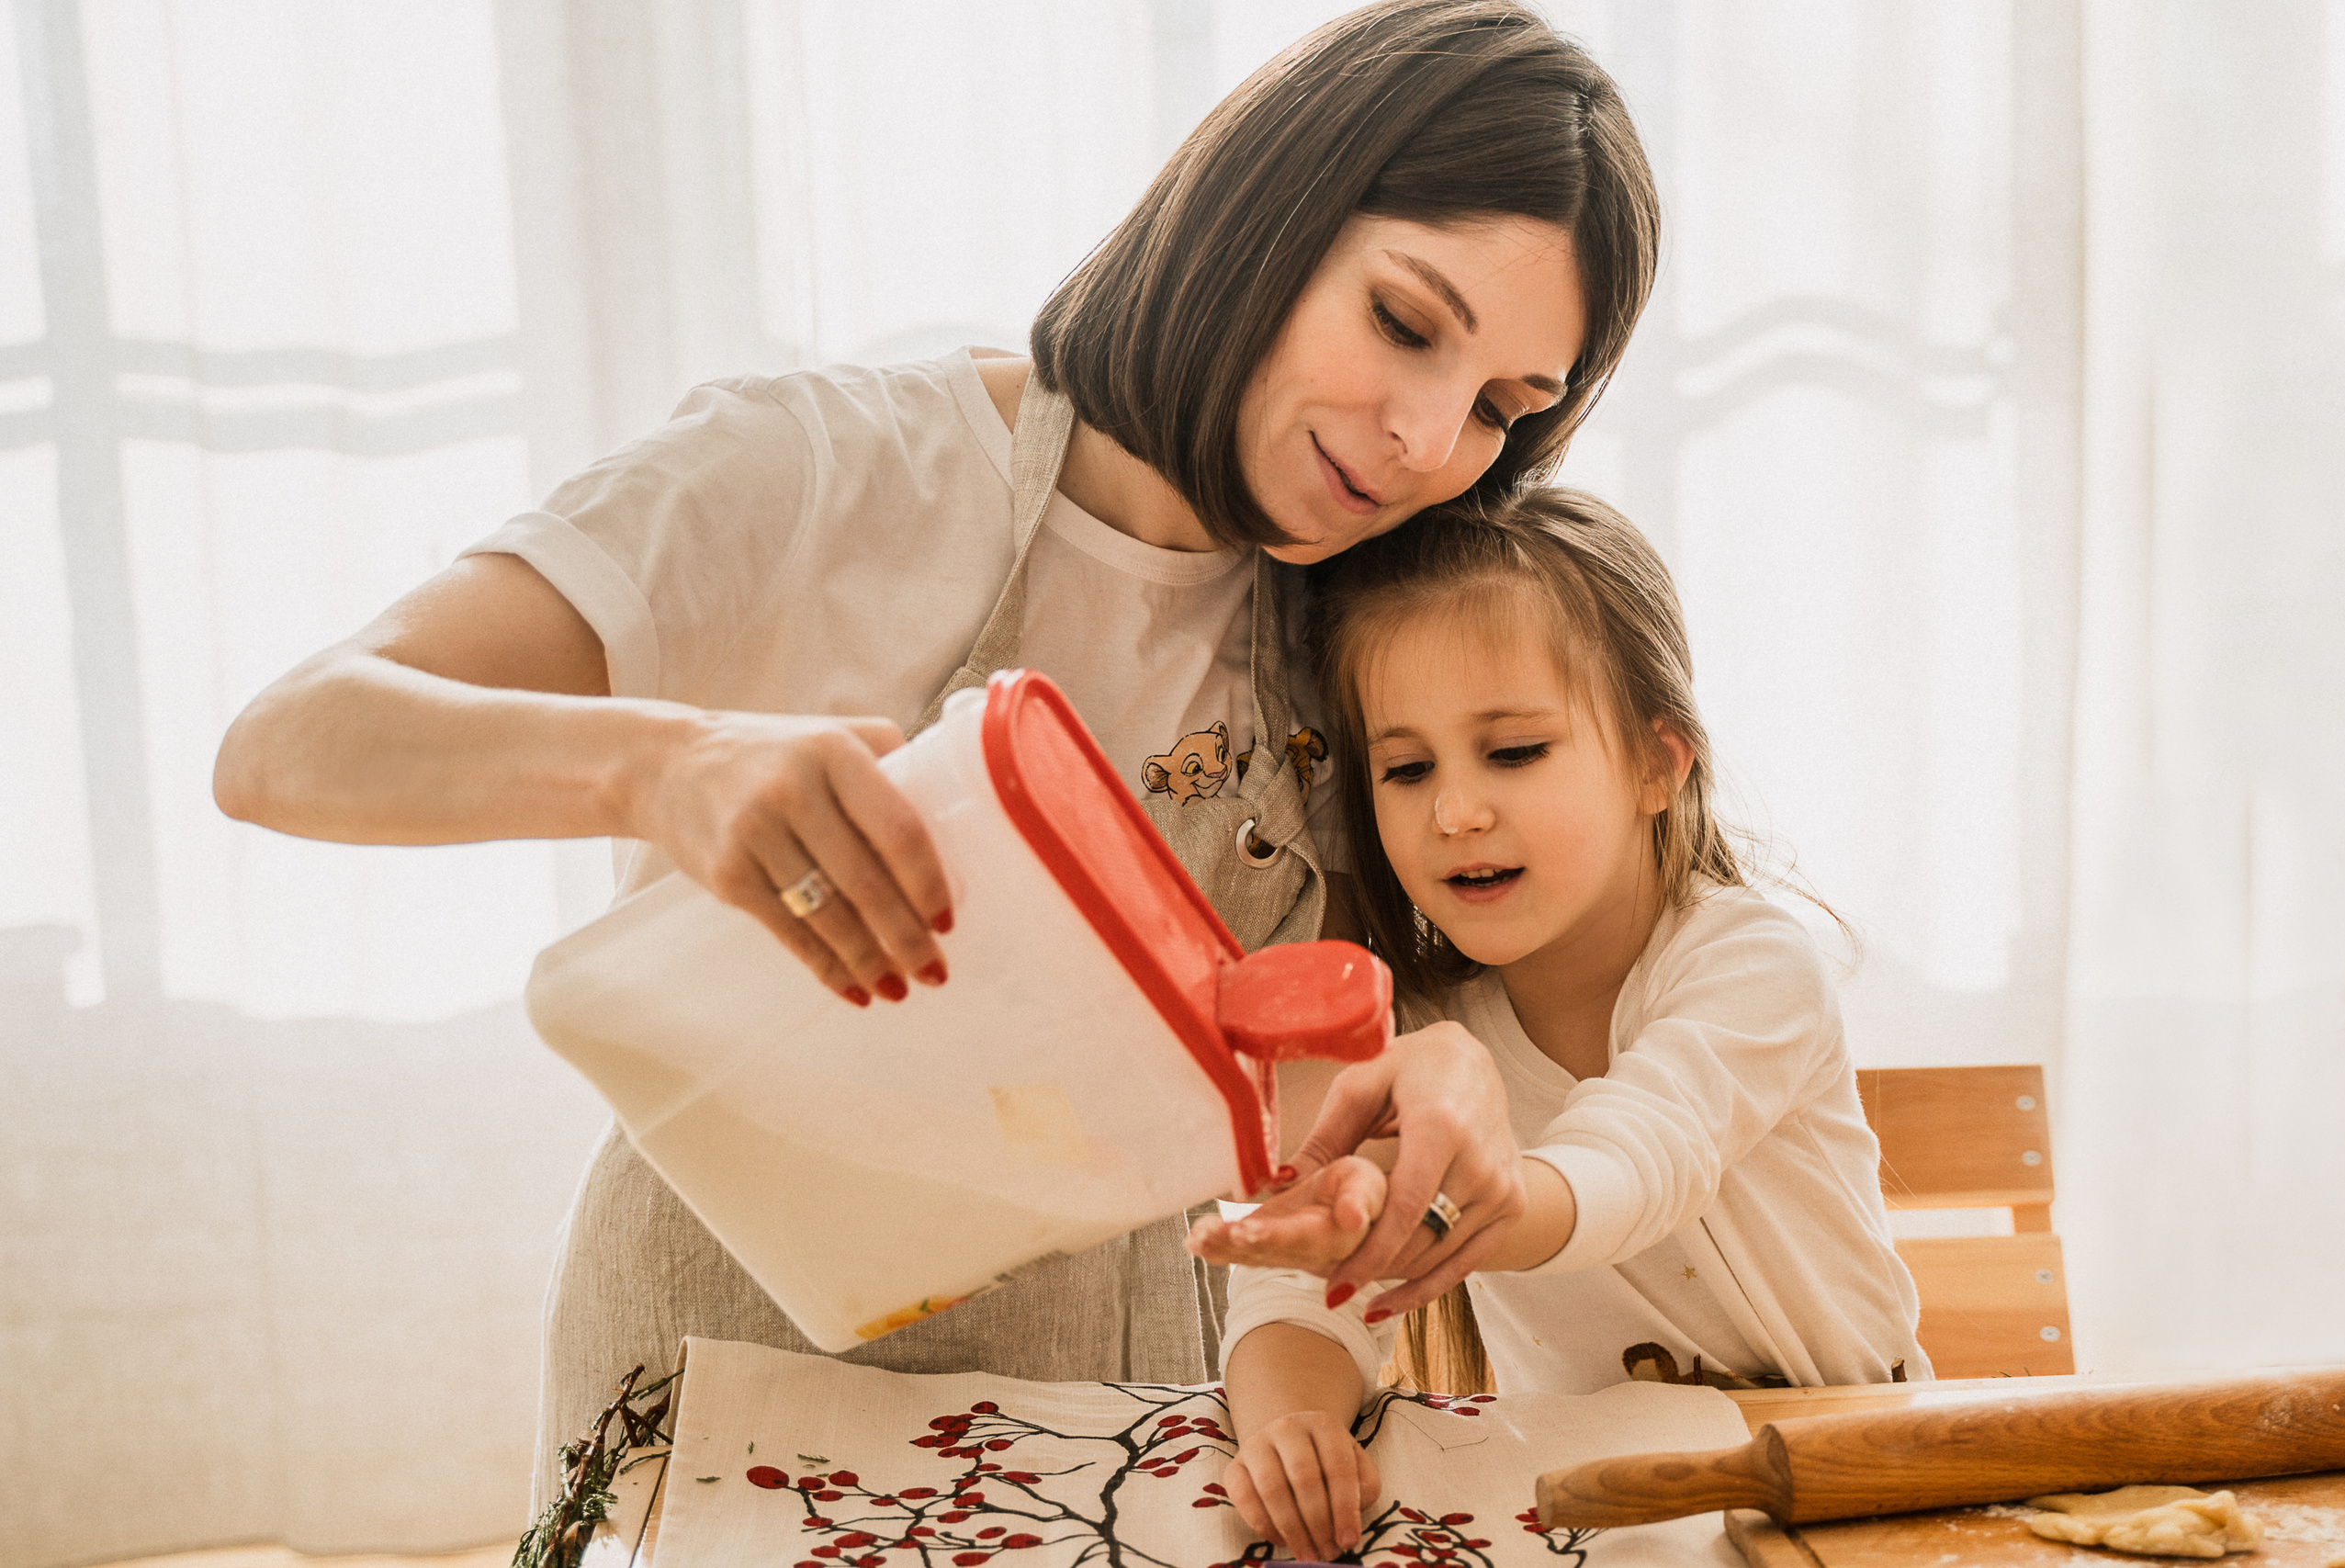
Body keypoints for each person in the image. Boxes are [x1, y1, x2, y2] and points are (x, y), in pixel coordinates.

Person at [211, 0, 1659, 1514]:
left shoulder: (1356, 642)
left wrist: (1412, 1100)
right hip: (719, 1412)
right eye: (1405, 323)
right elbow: (293, 740)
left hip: (1110, 1445)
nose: (1431, 441)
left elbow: (1273, 1109)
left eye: (1503, 409)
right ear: (1265, 214)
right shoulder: (833, 468)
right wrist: (664, 767)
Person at [1193, 491, 1926, 1563]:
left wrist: (1476, 1198)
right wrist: (1291, 1425)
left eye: (1514, 752)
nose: (1455, 812)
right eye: (1406, 769)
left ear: (1655, 762)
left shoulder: (1748, 960)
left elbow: (1645, 1153)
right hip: (1612, 1519)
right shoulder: (1423, 1032)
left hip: (1863, 1493)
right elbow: (1303, 1286)